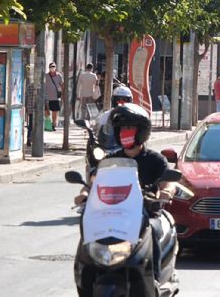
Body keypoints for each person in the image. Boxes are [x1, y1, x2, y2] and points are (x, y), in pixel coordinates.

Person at [74, 103, 176, 280]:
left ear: (141, 132)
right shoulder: (111, 159)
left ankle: (156, 278)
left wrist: (166, 192)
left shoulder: (155, 159)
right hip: (113, 215)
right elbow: (93, 181)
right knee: (87, 234)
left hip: (146, 213)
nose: (123, 133)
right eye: (120, 129)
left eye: (128, 128)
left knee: (155, 230)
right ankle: (85, 277)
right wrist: (84, 194)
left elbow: (168, 183)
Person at [93, 86, 133, 151]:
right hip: (110, 146)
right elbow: (97, 128)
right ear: (114, 100)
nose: (121, 102)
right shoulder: (106, 115)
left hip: (128, 148)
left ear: (129, 100)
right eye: (118, 99)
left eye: (124, 100)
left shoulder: (134, 116)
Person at [45, 62, 63, 131]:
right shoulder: (46, 76)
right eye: (51, 66)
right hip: (47, 98)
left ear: (55, 67)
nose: (52, 68)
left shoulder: (59, 76)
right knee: (46, 112)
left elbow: (62, 85)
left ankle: (53, 125)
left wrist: (62, 95)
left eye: (53, 66)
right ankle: (48, 124)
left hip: (55, 98)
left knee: (55, 113)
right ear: (49, 68)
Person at [25, 81, 35, 146]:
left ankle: (29, 139)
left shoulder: (29, 86)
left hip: (30, 109)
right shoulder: (42, 87)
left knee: (30, 125)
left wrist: (26, 107)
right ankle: (35, 139)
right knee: (38, 125)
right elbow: (45, 99)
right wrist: (47, 109)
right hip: (38, 110)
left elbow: (26, 97)